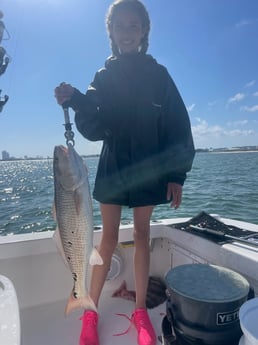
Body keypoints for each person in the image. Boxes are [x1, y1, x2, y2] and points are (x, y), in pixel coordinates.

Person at [55, 1, 195, 344]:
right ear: (111, 32)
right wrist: (72, 99)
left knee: (143, 234)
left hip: (149, 168)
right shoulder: (103, 76)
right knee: (108, 237)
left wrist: (177, 174)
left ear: (144, 32)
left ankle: (141, 314)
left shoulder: (159, 74)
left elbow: (178, 123)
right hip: (114, 165)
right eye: (120, 26)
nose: (127, 33)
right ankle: (90, 312)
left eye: (134, 26)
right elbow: (94, 119)